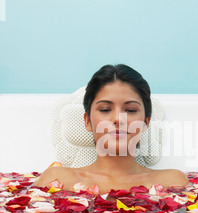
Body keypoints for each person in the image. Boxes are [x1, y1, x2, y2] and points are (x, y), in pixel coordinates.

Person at [35, 64, 189, 193]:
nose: (118, 119)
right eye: (105, 109)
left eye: (130, 110)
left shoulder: (172, 181)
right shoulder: (56, 179)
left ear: (145, 123)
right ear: (87, 121)